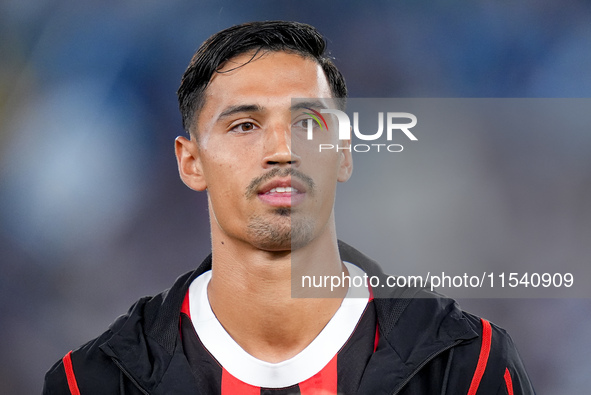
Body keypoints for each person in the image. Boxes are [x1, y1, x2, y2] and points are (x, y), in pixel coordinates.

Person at [43, 21, 535, 394]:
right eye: (244, 126)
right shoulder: (94, 380)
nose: (282, 150)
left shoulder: (465, 367)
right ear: (191, 162)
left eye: (307, 123)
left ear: (343, 153)